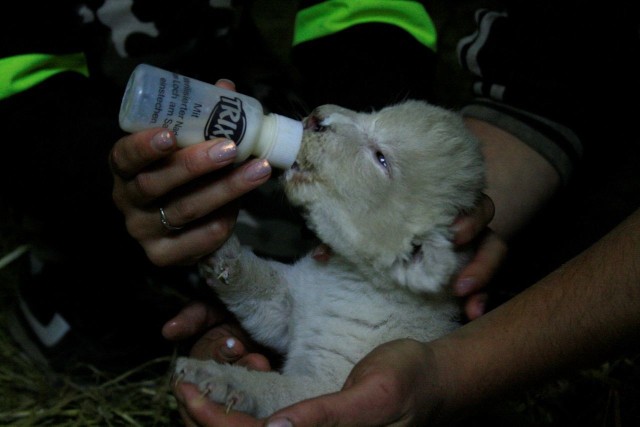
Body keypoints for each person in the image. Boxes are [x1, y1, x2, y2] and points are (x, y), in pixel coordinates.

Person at [111, 0, 640, 425]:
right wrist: (226, 261)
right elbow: (280, 305)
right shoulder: (347, 264)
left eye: (381, 158)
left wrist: (248, 390)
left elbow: (325, 396)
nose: (329, 115)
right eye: (368, 117)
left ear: (416, 255)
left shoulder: (400, 326)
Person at [1, 0, 438, 372]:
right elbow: (15, 77)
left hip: (224, 61)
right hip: (64, 105)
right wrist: (114, 195)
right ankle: (68, 268)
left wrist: (367, 159)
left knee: (296, 244)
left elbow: (366, 10)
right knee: (170, 247)